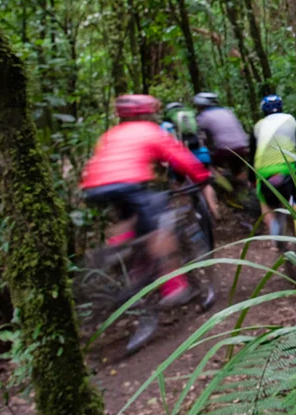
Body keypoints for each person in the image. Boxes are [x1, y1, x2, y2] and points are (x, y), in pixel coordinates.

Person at [81, 94, 211, 309]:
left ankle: (121, 246)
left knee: (130, 217)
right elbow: (179, 157)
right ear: (146, 113)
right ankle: (174, 286)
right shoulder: (148, 130)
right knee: (161, 228)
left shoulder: (110, 134)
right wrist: (202, 176)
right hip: (130, 183)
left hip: (96, 186)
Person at [251, 94, 296, 233]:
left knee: (265, 204)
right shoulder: (290, 120)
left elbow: (252, 155)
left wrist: (252, 179)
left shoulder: (258, 126)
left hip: (263, 171)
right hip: (288, 169)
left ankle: (275, 232)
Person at [193, 92, 252, 190]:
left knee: (211, 166)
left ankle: (228, 190)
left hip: (224, 148)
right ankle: (245, 188)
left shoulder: (204, 116)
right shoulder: (228, 111)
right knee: (238, 169)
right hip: (242, 145)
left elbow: (200, 135)